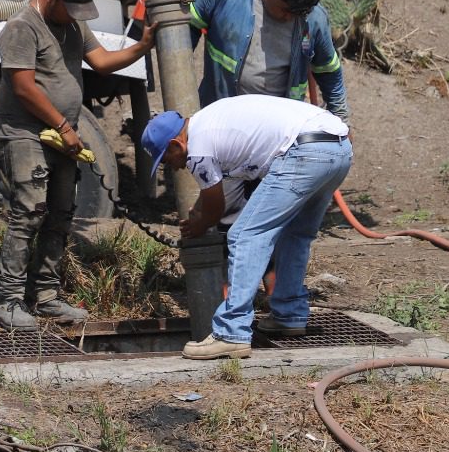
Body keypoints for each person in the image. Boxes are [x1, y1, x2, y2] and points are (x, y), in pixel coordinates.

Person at [0, 0, 154, 331]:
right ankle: (8, 300)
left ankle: (46, 297)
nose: (76, 16)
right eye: (71, 7)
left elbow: (101, 63)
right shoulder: (22, 27)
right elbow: (23, 88)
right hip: (28, 133)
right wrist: (64, 125)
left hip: (63, 134)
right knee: (29, 211)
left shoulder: (72, 23)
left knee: (62, 212)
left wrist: (142, 46)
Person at [141, 94, 353, 359]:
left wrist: (198, 226)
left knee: (244, 235)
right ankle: (290, 315)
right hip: (338, 147)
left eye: (166, 159)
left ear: (176, 143)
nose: (170, 166)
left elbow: (215, 207)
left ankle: (231, 332)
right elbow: (216, 193)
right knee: (295, 234)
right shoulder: (211, 119)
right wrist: (201, 215)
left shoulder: (197, 148)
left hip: (304, 151)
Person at [187, 0, 348, 121]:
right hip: (219, 116)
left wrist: (341, 119)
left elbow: (328, 71)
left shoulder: (312, 19)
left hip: (277, 129)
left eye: (299, 14)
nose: (290, 18)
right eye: (286, 11)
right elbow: (186, 32)